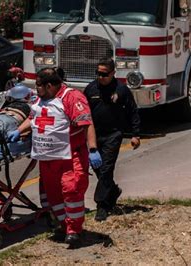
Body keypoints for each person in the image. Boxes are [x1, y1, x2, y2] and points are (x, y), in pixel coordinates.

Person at [7, 68, 101, 248]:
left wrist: (93, 149)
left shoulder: (72, 98)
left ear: (49, 85)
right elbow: (33, 117)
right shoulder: (39, 99)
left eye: (39, 86)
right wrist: (18, 131)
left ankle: (75, 231)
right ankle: (64, 226)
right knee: (53, 194)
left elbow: (86, 123)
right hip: (48, 158)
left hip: (69, 156)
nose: (37, 90)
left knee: (71, 190)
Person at [83, 57, 141, 222]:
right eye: (98, 73)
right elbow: (83, 113)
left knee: (107, 168)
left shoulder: (121, 89)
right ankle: (113, 191)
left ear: (113, 73)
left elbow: (133, 112)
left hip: (113, 134)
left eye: (104, 74)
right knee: (99, 169)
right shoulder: (91, 89)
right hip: (94, 135)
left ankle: (102, 206)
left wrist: (136, 134)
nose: (100, 77)